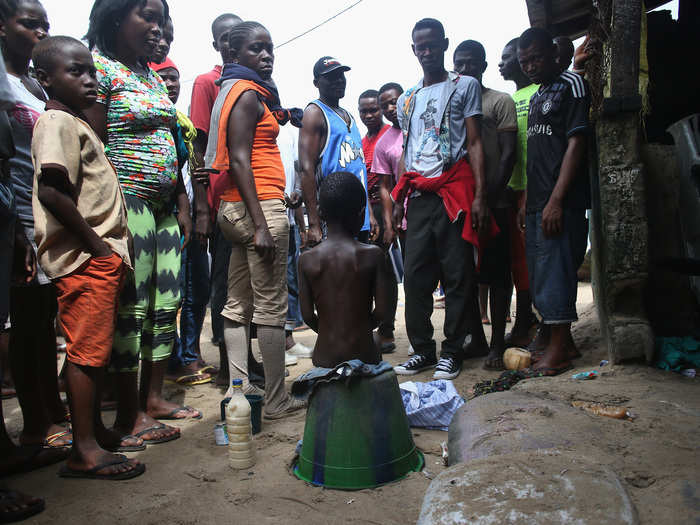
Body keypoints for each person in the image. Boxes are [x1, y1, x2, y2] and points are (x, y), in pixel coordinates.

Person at [84, 0, 199, 448]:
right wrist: (109, 213)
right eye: (146, 17)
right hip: (125, 200)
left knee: (166, 304)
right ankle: (127, 415)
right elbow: (93, 145)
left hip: (166, 204)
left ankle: (153, 399)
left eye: (161, 20)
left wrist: (183, 198)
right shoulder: (98, 68)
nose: (157, 28)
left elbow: (172, 141)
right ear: (116, 18)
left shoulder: (149, 74)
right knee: (132, 307)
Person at [31, 36, 144, 479]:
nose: (89, 80)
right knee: (87, 352)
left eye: (91, 71)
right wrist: (98, 248)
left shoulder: (74, 122)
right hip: (84, 257)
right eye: (75, 71)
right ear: (45, 79)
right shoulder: (57, 121)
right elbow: (51, 191)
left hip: (95, 255)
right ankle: (84, 450)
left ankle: (91, 430)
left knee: (91, 349)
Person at [206, 21, 305, 419]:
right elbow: (241, 158)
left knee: (236, 304)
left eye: (270, 49)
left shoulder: (236, 90)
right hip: (258, 208)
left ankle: (240, 385)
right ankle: (277, 400)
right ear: (234, 55)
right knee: (270, 307)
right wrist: (263, 224)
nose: (266, 56)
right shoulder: (247, 95)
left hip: (235, 208)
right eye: (256, 49)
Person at [391, 18, 490, 380]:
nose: (428, 52)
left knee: (457, 274)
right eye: (421, 46)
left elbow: (475, 143)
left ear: (445, 44)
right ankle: (422, 349)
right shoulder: (407, 99)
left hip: (453, 192)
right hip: (419, 194)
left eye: (433, 45)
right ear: (414, 49)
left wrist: (480, 195)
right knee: (415, 277)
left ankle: (452, 351)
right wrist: (400, 196)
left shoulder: (465, 86)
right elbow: (408, 147)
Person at [1, 0, 72, 452]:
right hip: (17, 219)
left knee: (45, 321)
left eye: (45, 25)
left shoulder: (31, 83)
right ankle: (33, 425)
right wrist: (11, 226)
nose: (40, 32)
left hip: (47, 219)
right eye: (30, 23)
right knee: (24, 326)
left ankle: (49, 412)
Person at [517, 27, 590, 375]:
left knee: (557, 272)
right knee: (540, 272)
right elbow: (539, 154)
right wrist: (529, 199)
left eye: (536, 58)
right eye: (525, 61)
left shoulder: (571, 86)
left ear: (552, 55)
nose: (530, 66)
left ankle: (558, 349)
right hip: (537, 201)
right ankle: (561, 342)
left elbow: (575, 145)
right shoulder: (536, 96)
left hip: (562, 201)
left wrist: (556, 200)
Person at [453, 39, 517, 370]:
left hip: (495, 203)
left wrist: (488, 197)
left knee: (497, 274)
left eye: (471, 64)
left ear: (483, 66)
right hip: (461, 206)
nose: (464, 70)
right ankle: (476, 339)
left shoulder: (499, 101)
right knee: (465, 275)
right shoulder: (453, 106)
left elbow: (508, 154)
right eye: (458, 65)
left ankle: (497, 343)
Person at [149, 57, 212, 386]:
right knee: (174, 293)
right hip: (168, 216)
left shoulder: (183, 122)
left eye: (175, 78)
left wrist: (202, 213)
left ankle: (190, 353)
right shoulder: (154, 120)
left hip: (192, 216)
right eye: (163, 77)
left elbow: (194, 170)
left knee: (198, 288)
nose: (171, 83)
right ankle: (180, 359)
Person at [189, 12, 241, 384]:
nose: (231, 43)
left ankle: (244, 357)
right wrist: (203, 207)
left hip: (250, 194)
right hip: (222, 198)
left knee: (247, 281)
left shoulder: (253, 83)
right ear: (216, 44)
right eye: (225, 38)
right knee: (223, 281)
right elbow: (198, 143)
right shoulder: (208, 82)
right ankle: (227, 361)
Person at [298, 172, 386, 368]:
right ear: (361, 213)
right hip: (364, 357)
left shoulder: (307, 260)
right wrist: (360, 328)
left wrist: (332, 328)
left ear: (320, 213)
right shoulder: (373, 255)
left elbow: (307, 316)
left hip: (325, 360)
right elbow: (381, 312)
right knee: (377, 341)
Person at [299, 56, 372, 245]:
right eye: (331, 77)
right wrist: (313, 224)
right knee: (340, 272)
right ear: (316, 82)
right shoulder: (314, 113)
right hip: (333, 219)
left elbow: (359, 170)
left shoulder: (349, 116)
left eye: (341, 75)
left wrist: (369, 214)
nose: (339, 80)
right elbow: (306, 169)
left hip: (359, 217)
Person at [498, 37, 539, 348]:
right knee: (518, 262)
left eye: (506, 57)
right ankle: (526, 318)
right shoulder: (509, 100)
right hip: (512, 191)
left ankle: (536, 320)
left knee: (536, 259)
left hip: (536, 190)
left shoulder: (541, 92)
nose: (503, 64)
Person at [358, 88, 396, 353]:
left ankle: (386, 330)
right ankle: (371, 328)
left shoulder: (388, 136)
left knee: (384, 270)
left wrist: (388, 216)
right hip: (366, 209)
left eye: (374, 109)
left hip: (387, 206)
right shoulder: (362, 141)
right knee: (369, 272)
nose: (369, 114)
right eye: (364, 111)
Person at [277, 124, 312, 360]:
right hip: (269, 218)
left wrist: (301, 224)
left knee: (290, 283)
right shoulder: (257, 126)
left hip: (289, 220)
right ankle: (275, 346)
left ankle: (288, 340)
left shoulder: (289, 132)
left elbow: (298, 172)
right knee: (273, 285)